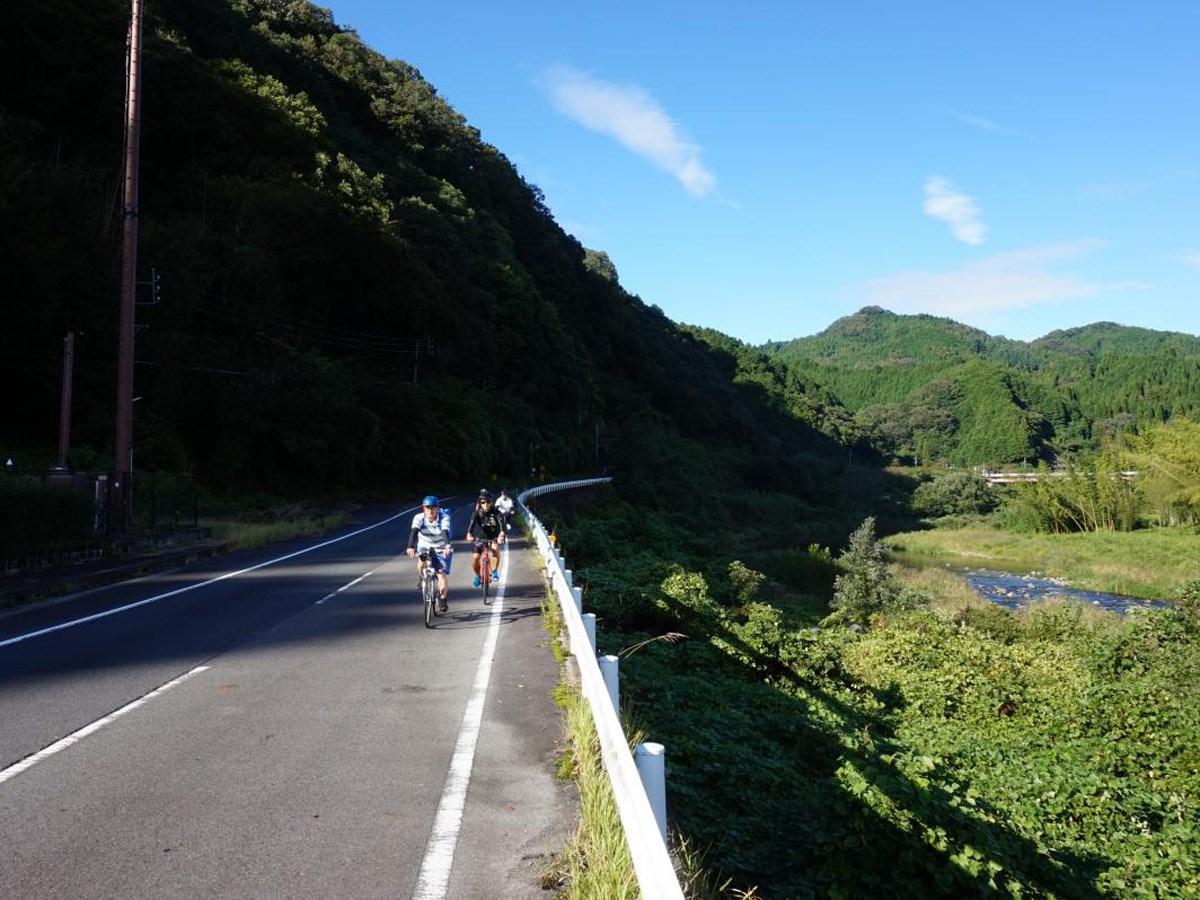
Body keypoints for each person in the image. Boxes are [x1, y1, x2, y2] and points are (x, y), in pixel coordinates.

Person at [406, 495, 453, 612]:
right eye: (428, 508)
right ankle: (422, 578)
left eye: (433, 507)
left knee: (441, 573)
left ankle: (443, 600)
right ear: (424, 509)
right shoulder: (419, 518)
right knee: (421, 562)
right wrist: (410, 547)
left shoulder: (444, 517)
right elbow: (414, 532)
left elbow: (444, 532)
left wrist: (447, 546)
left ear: (437, 508)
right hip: (424, 545)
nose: (431, 510)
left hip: (441, 547)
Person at [465, 488, 506, 587]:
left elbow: (502, 526)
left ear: (492, 502)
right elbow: (471, 526)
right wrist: (469, 534)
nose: (486, 504)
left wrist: (501, 535)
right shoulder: (476, 513)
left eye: (488, 502)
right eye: (483, 502)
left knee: (495, 548)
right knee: (475, 558)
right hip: (480, 537)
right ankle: (478, 576)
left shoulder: (497, 513)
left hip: (494, 537)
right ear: (480, 503)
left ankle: (494, 571)